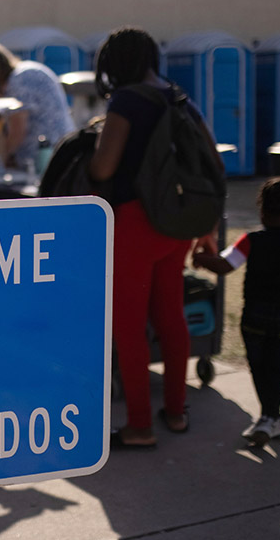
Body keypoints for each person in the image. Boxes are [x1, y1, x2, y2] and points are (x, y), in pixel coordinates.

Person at [88, 27, 222, 448]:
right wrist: (208, 226)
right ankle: (177, 412)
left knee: (128, 325)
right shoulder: (178, 96)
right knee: (170, 314)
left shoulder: (127, 100)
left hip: (133, 223)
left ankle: (140, 425)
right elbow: (212, 160)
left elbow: (103, 169)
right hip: (175, 224)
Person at [193, 177, 280, 445]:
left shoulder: (251, 240)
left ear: (262, 210)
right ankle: (272, 418)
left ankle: (268, 418)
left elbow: (225, 265)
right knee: (279, 368)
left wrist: (201, 258)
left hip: (255, 316)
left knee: (259, 367)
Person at [0, 40, 75, 168]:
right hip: (60, 148)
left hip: (50, 155)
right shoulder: (25, 72)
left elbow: (17, 132)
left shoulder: (19, 80)